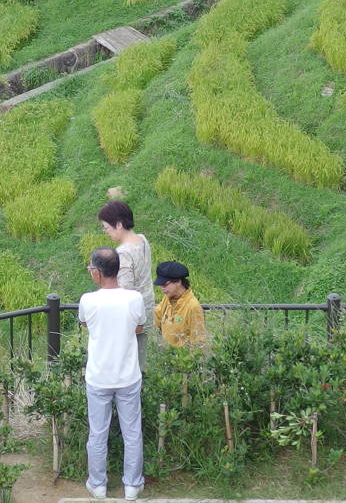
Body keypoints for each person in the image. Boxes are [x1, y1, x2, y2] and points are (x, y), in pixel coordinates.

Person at [79, 247, 146, 501]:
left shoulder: (88, 300)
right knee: (132, 432)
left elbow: (85, 324)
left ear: (96, 272)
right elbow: (139, 326)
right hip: (128, 375)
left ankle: (97, 485)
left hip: (98, 377)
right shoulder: (134, 298)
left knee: (98, 432)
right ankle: (132, 485)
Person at [99, 200, 153, 372]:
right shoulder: (142, 240)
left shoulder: (123, 253)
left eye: (107, 228)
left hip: (130, 321)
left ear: (119, 225)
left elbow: (124, 292)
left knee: (126, 370)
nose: (106, 232)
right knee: (140, 366)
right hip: (147, 312)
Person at [153, 261, 206, 349]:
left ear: (178, 282)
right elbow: (156, 316)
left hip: (182, 360)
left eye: (165, 284)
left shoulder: (193, 307)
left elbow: (198, 342)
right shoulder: (167, 298)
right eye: (160, 285)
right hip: (167, 356)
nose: (162, 288)